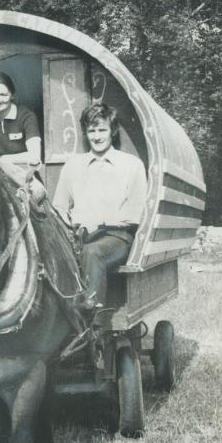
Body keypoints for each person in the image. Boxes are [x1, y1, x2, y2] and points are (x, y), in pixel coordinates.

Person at [53, 102, 147, 309]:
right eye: (91, 131)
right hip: (78, 236)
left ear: (112, 131)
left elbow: (136, 214)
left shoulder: (131, 165)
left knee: (93, 252)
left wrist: (99, 224)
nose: (96, 136)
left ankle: (92, 317)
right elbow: (59, 206)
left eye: (102, 130)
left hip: (116, 238)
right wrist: (70, 227)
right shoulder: (73, 165)